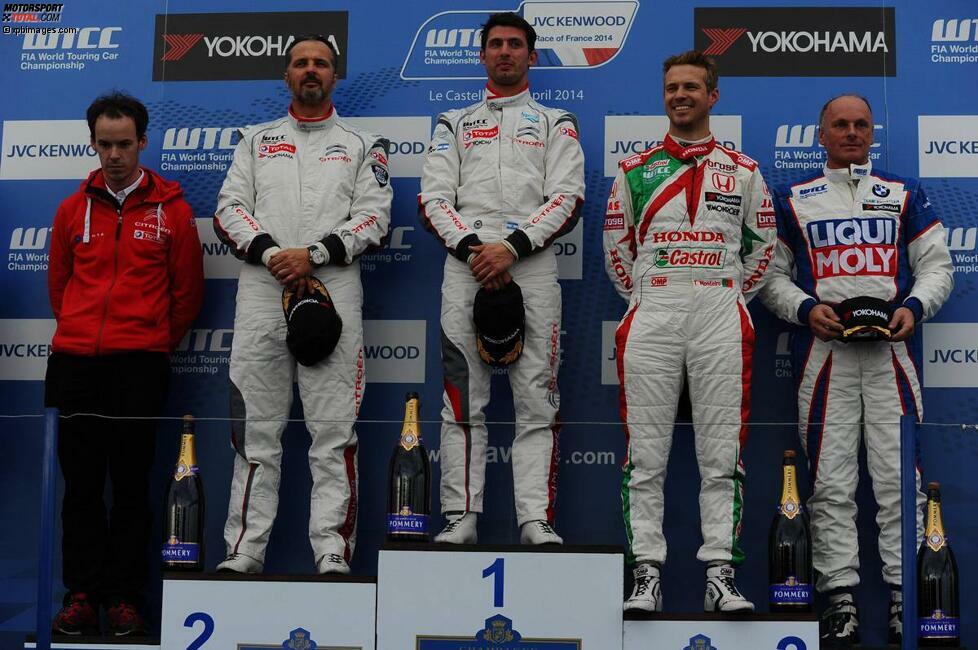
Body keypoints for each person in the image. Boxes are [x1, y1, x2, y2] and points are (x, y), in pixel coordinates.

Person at [759, 94, 953, 645]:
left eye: (860, 124)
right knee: (829, 483)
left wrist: (912, 309)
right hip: (825, 357)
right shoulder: (793, 198)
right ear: (820, 134)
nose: (850, 133)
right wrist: (803, 309)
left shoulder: (903, 192)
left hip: (891, 355)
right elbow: (769, 276)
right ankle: (838, 600)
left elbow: (937, 266)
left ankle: (904, 600)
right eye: (839, 125)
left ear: (873, 132)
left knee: (898, 482)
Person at [604, 50, 775, 613]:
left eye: (692, 87)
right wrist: (653, 295)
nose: (681, 96)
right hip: (653, 309)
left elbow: (763, 251)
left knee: (721, 455)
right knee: (645, 455)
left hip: (719, 310)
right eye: (672, 87)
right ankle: (646, 574)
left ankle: (720, 574)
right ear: (664, 95)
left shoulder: (745, 171)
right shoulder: (634, 170)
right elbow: (616, 251)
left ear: (713, 96)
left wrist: (722, 292)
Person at [213, 35, 391, 575]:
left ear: (334, 76)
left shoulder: (364, 143)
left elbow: (375, 217)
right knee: (255, 431)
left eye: (320, 63)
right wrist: (273, 254)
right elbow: (229, 209)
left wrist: (312, 255)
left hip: (332, 288)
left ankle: (332, 549)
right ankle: (244, 549)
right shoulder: (254, 139)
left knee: (334, 431)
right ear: (285, 75)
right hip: (263, 293)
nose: (310, 70)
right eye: (300, 63)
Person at [418, 12, 585, 545]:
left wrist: (511, 248)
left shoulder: (557, 121)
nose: (506, 52)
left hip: (530, 264)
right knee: (463, 396)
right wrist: (475, 249)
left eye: (516, 44)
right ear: (482, 55)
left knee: (537, 395)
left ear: (532, 56)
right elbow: (433, 199)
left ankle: (534, 517)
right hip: (466, 265)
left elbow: (567, 197)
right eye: (496, 45)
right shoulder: (452, 122)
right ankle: (461, 515)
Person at [45, 92, 204, 635]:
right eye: (104, 144)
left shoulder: (173, 211)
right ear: (92, 143)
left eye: (124, 144)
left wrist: (149, 339)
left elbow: (186, 295)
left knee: (133, 487)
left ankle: (125, 598)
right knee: (82, 490)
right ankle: (81, 595)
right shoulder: (71, 209)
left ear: (142, 142)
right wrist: (82, 334)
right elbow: (58, 289)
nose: (114, 155)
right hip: (76, 365)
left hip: (139, 365)